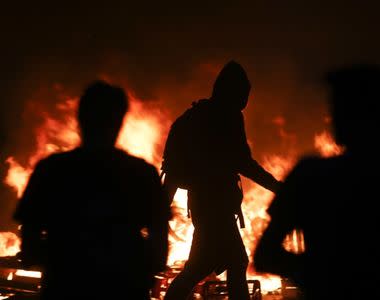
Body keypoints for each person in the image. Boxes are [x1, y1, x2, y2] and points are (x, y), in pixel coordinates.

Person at [254, 65, 380, 299]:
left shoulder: (311, 176)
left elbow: (266, 255)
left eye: (343, 106)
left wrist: (318, 272)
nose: (333, 115)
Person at [14, 81, 170, 300]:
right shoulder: (141, 173)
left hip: (65, 288)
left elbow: (30, 243)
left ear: (80, 119)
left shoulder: (52, 170)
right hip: (124, 289)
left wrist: (62, 257)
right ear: (119, 121)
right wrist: (134, 267)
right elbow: (159, 245)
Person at [163, 61, 280, 300]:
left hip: (209, 207)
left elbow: (173, 170)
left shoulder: (201, 117)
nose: (245, 101)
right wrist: (277, 187)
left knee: (201, 266)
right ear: (232, 92)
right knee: (236, 261)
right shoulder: (223, 118)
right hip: (212, 207)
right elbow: (243, 162)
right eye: (242, 94)